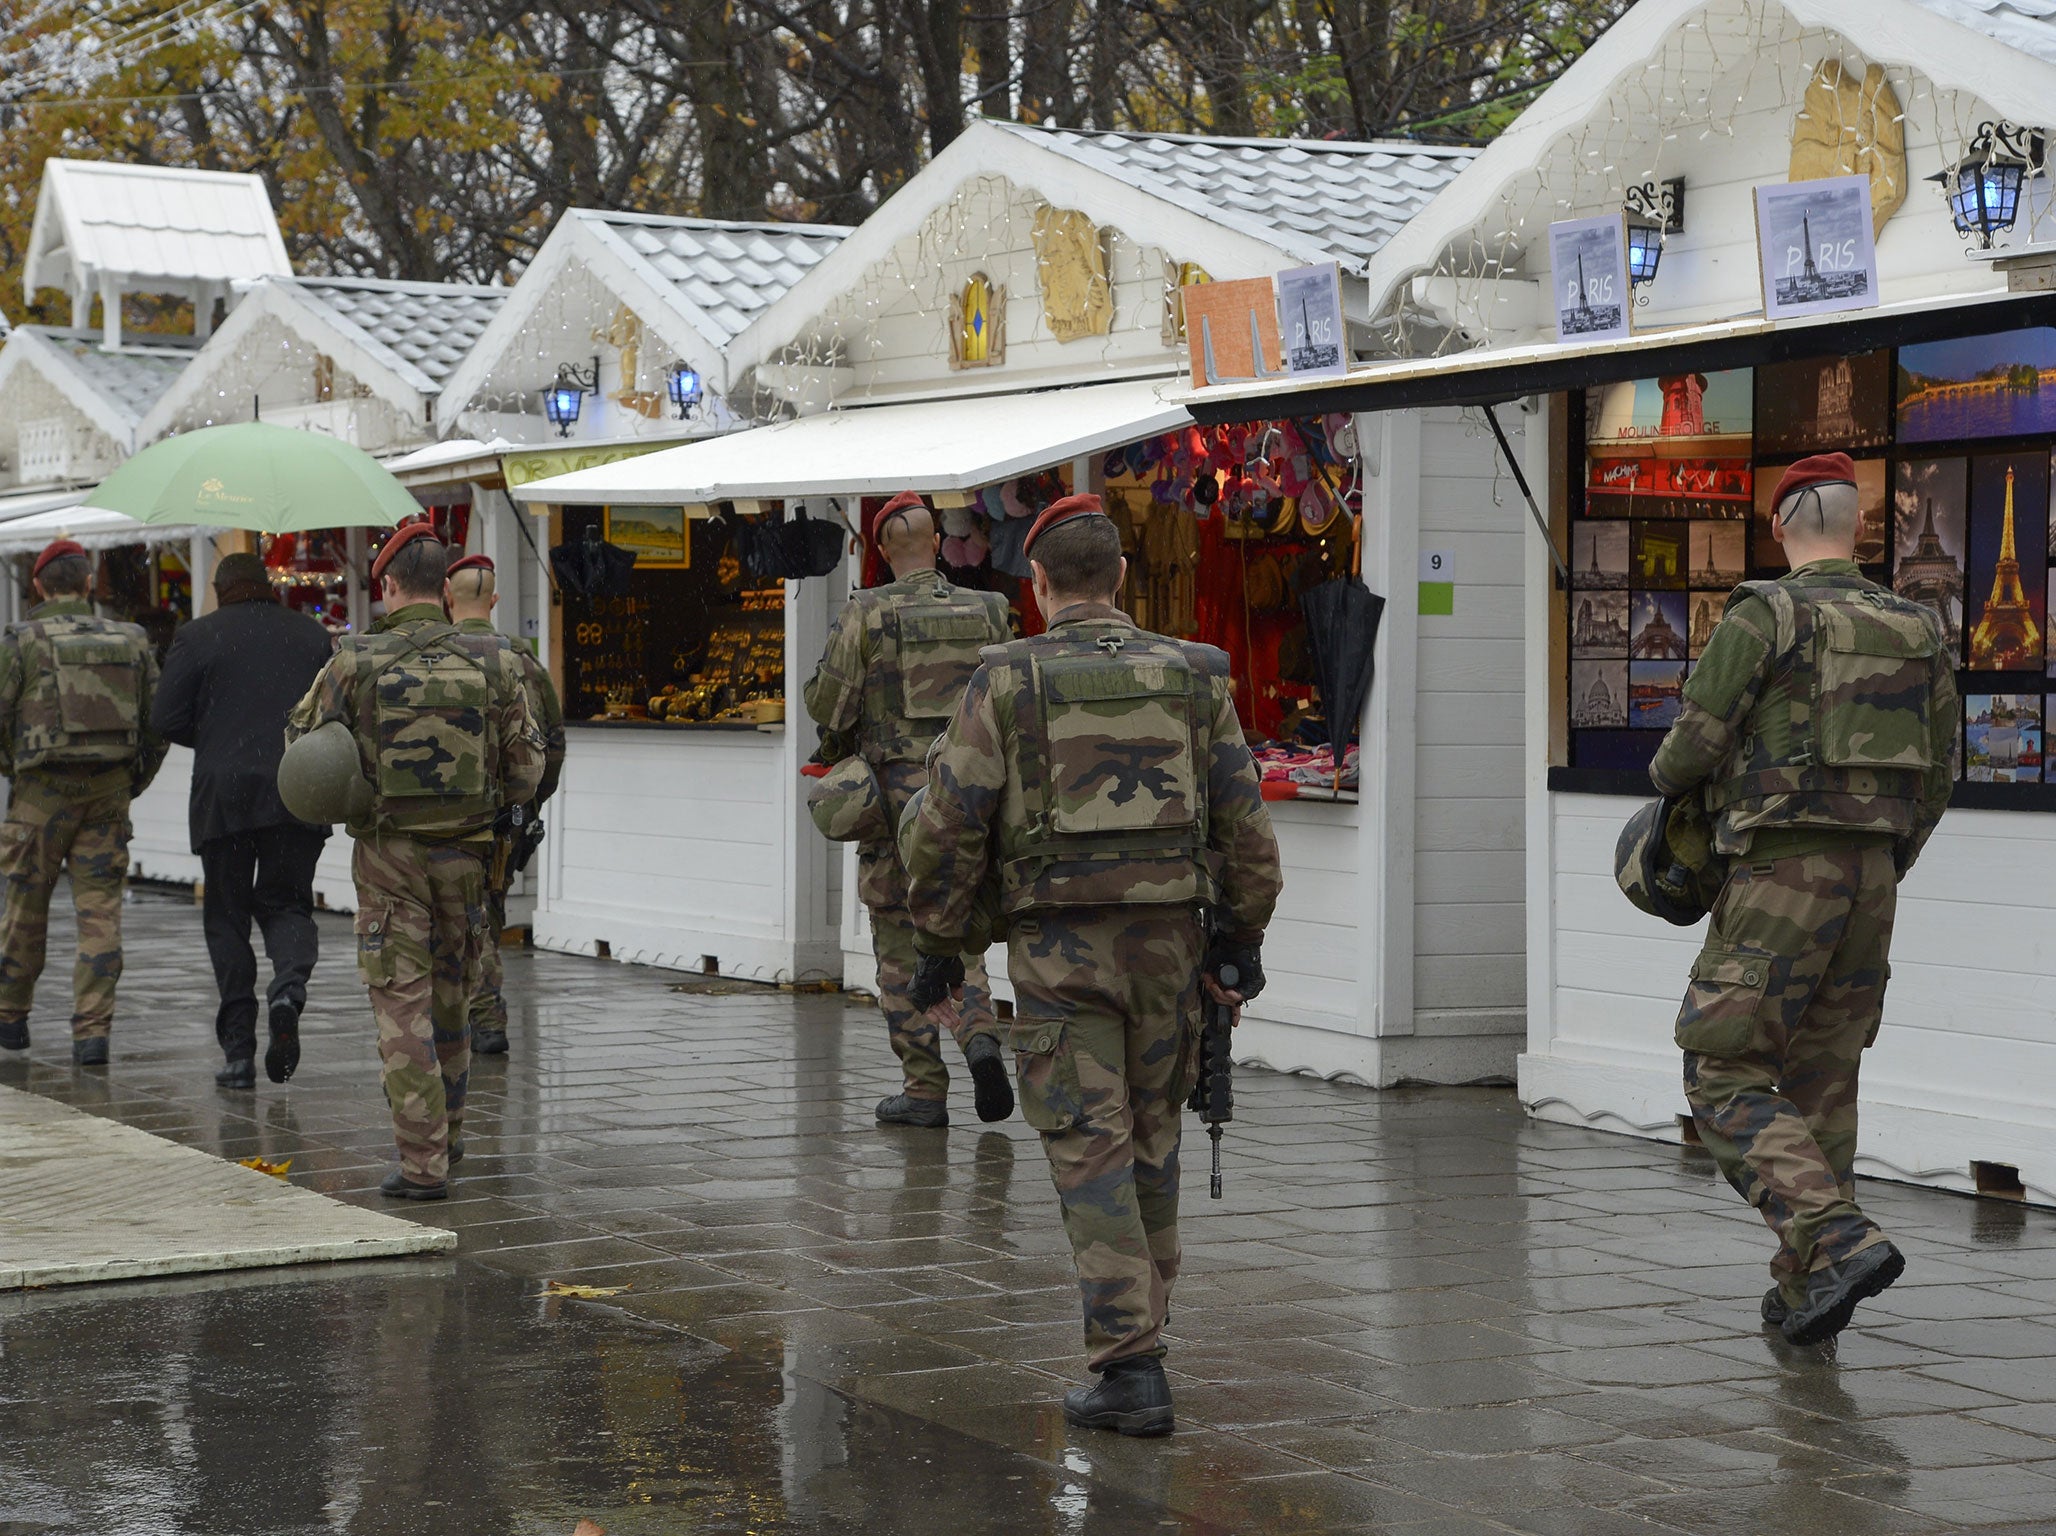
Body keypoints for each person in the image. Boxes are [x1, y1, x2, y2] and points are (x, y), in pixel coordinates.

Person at [900, 494, 1282, 1435]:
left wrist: (944, 948)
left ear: (1037, 585)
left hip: (1056, 953)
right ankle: (1145, 1335)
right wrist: (1240, 942)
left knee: (1087, 1147)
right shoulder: (1195, 676)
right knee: (1153, 1136)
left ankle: (1129, 1365)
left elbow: (946, 827)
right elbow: (1248, 830)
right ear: (1119, 577)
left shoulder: (1006, 681)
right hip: (1171, 949)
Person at [1651, 452, 1955, 1347]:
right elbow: (1940, 775)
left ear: (1782, 525)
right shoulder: (1918, 625)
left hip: (1782, 872)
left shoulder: (1767, 613)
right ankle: (1807, 1290)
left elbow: (1687, 750)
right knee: (1823, 1080)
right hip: (1874, 881)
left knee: (1722, 1069)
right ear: (1858, 530)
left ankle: (1834, 1236)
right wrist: (1888, 853)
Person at [285, 524, 541, 1200]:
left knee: (403, 1007)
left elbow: (303, 751)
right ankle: (447, 1143)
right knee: (453, 1004)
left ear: (389, 584)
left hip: (389, 858)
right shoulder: (496, 661)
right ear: (445, 585)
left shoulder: (353, 661)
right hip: (468, 856)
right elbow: (527, 769)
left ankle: (423, 1165)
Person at [802, 491, 1015, 1129]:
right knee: (959, 928)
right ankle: (979, 1035)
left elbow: (828, 709)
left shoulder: (866, 612)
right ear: (937, 543)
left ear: (882, 551)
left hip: (894, 805)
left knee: (898, 943)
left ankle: (924, 1091)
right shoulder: (989, 610)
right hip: (969, 797)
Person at [152, 552, 336, 1088]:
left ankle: (238, 1052)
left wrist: (215, 739)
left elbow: (165, 718)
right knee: (288, 903)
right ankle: (288, 990)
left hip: (224, 795)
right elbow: (332, 714)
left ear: (220, 588)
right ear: (267, 586)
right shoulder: (310, 635)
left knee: (227, 916)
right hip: (295, 789)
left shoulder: (196, 636)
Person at [0, 539, 167, 1066]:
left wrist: (17, 768)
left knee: (24, 911)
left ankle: (10, 1020)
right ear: (89, 583)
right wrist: (129, 782)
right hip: (108, 794)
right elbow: (156, 726)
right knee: (100, 915)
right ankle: (92, 1034)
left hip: (38, 797)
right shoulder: (131, 639)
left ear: (39, 585)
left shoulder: (21, 640)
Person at [443, 553, 565, 1057]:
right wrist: (532, 801)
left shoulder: (435, 655)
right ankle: (484, 1017)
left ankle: (474, 1016)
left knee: (450, 916)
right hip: (506, 813)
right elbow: (553, 742)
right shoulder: (521, 661)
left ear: (448, 599)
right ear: (493, 601)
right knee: (486, 912)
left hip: (448, 811)